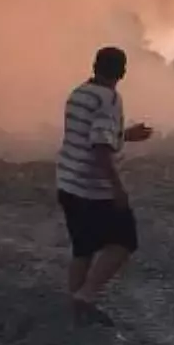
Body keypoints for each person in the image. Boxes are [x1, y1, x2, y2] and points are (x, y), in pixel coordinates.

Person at [56, 46, 152, 324]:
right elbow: (99, 146)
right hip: (92, 189)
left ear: (95, 66)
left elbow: (96, 134)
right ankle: (85, 297)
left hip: (68, 183)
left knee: (83, 248)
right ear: (122, 71)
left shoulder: (79, 94)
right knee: (124, 241)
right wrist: (117, 188)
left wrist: (125, 135)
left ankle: (75, 311)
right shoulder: (108, 99)